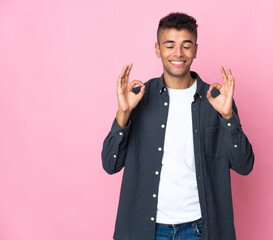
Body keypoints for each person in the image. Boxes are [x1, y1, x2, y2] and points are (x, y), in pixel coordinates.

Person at [101, 12, 254, 240]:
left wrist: (228, 116)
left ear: (195, 49)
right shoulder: (138, 98)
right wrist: (123, 113)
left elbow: (244, 165)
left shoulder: (217, 100)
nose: (178, 53)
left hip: (200, 229)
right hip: (146, 230)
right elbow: (110, 164)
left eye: (186, 45)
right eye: (169, 45)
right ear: (157, 49)